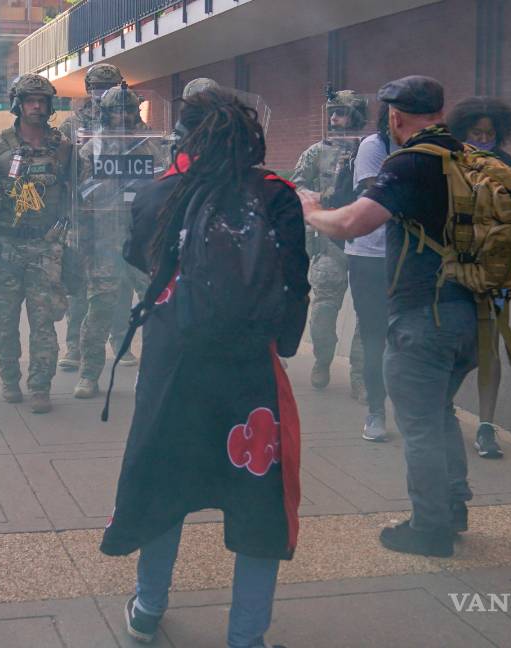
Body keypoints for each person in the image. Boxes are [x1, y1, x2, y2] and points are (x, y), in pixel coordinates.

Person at [102, 86, 308, 648]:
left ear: (184, 137)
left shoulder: (160, 193)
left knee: (163, 484)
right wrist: (282, 342)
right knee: (258, 501)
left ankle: (147, 610)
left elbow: (137, 261)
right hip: (249, 376)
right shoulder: (277, 195)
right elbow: (296, 284)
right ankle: (246, 637)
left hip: (174, 367)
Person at [303, 75, 474, 557]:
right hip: (472, 312)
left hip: (425, 315)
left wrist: (313, 211)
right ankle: (454, 507)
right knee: (440, 412)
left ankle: (430, 528)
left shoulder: (412, 160)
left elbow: (355, 221)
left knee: (418, 423)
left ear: (394, 118)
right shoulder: (464, 156)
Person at [0, 74, 72, 415]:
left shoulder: (63, 147)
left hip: (46, 247)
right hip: (5, 247)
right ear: (18, 105)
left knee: (44, 322)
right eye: (30, 100)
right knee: (3, 322)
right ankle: (9, 378)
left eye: (42, 101)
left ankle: (40, 386)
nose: (37, 106)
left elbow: (76, 193)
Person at [446, 96, 511, 459]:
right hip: (456, 274)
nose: (482, 138)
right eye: (475, 132)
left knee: (490, 348)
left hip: (495, 274)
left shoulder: (509, 168)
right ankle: (441, 407)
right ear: (462, 130)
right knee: (455, 347)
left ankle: (486, 425)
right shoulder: (450, 164)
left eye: (489, 133)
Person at [70, 85, 163, 398]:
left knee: (158, 309)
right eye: (116, 110)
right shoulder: (92, 149)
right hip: (106, 240)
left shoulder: (150, 146)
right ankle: (89, 374)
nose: (122, 116)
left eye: (127, 110)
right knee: (99, 311)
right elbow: (79, 196)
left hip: (144, 242)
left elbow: (165, 187)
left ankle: (159, 374)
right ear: (105, 113)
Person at [289, 88, 366, 396]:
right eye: (332, 113)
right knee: (322, 313)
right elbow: (297, 187)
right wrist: (318, 203)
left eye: (341, 112)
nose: (334, 119)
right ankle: (323, 359)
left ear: (356, 117)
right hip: (331, 243)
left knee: (367, 315)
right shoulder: (316, 153)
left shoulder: (370, 150)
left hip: (365, 244)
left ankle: (360, 374)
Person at [59, 63, 127, 373]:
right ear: (89, 91)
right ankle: (74, 345)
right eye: (99, 88)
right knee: (80, 283)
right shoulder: (71, 126)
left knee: (120, 283)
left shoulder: (127, 122)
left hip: (120, 217)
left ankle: (120, 340)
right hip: (83, 215)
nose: (104, 94)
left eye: (111, 87)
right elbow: (60, 172)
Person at [346, 101, 395, 442]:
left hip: (412, 257)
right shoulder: (373, 146)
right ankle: (376, 410)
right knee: (374, 334)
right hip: (369, 254)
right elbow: (382, 194)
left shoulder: (429, 149)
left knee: (410, 336)